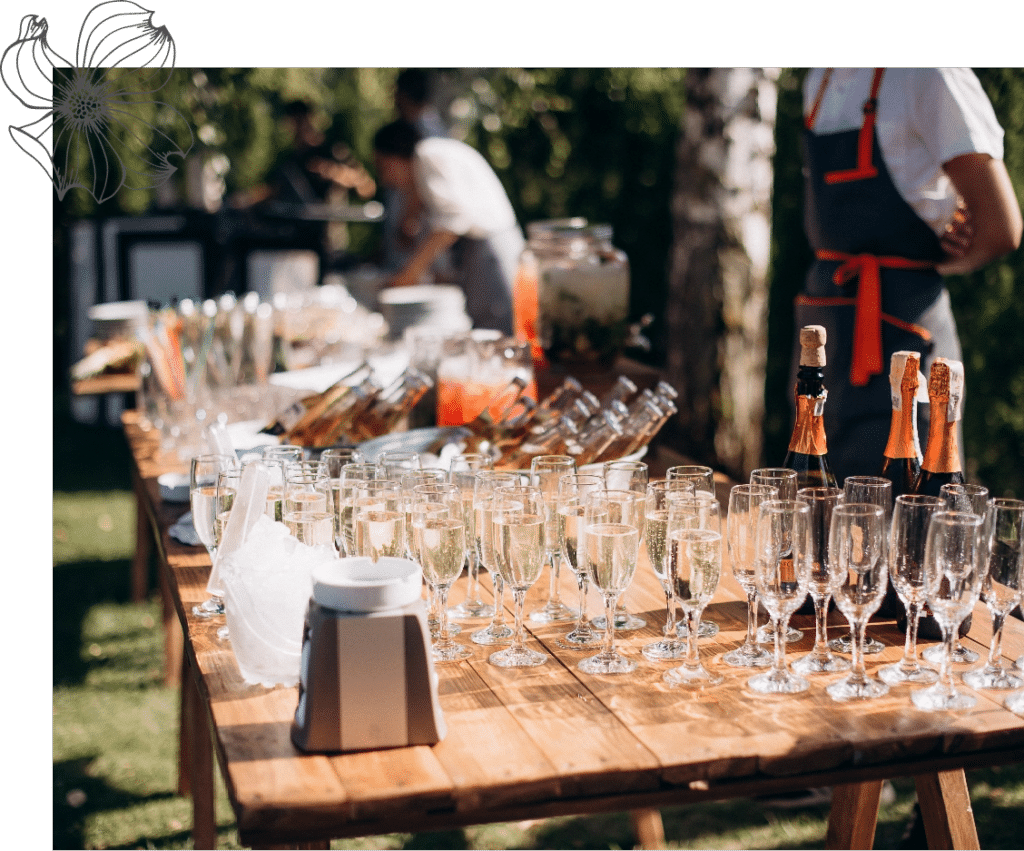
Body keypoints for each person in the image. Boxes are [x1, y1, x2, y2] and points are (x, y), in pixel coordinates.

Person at [794, 67, 1022, 484]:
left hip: (904, 332)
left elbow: (1000, 227)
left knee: (910, 500)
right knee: (816, 497)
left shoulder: (928, 72)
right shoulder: (819, 79)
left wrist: (933, 263)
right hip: (826, 331)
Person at [373, 119, 524, 335]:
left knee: (498, 332)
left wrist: (409, 274)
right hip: (485, 250)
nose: (385, 178)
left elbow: (451, 224)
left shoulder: (427, 153)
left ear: (395, 157)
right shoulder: (430, 156)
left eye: (383, 167)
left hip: (490, 252)